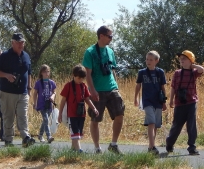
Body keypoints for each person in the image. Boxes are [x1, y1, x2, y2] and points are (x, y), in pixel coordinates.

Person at [82, 25, 125, 154]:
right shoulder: (90, 52)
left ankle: (113, 144)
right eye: (109, 36)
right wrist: (92, 91)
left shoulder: (110, 51)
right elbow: (88, 74)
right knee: (95, 119)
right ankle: (97, 148)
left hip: (112, 88)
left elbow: (112, 70)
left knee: (120, 114)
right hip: (97, 90)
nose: (111, 39)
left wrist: (116, 86)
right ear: (101, 36)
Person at [0, 33, 34, 147]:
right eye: (18, 42)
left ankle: (26, 137)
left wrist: (29, 88)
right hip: (7, 92)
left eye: (22, 42)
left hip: (23, 92)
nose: (21, 44)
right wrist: (7, 75)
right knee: (8, 116)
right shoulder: (5, 56)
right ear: (12, 43)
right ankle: (8, 140)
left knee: (23, 115)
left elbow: (29, 72)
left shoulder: (26, 56)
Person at [166, 50, 204, 155]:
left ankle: (192, 146)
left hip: (191, 102)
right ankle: (169, 143)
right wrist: (171, 100)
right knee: (176, 125)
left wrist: (193, 66)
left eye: (184, 59)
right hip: (179, 103)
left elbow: (201, 70)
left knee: (191, 124)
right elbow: (173, 87)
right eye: (181, 59)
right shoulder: (177, 73)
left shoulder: (194, 72)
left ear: (190, 61)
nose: (182, 60)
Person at [58, 64, 99, 152]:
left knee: (78, 133)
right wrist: (60, 114)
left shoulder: (83, 86)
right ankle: (79, 150)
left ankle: (73, 150)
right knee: (75, 132)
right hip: (71, 114)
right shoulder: (68, 86)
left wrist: (94, 108)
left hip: (81, 114)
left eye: (82, 78)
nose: (80, 80)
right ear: (73, 75)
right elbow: (63, 101)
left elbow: (87, 99)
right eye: (78, 78)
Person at [134, 51, 167, 156]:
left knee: (156, 125)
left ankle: (150, 147)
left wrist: (164, 101)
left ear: (156, 61)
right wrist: (136, 98)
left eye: (151, 60)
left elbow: (163, 87)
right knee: (151, 122)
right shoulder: (142, 72)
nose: (148, 61)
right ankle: (153, 146)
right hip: (147, 101)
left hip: (157, 100)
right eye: (147, 59)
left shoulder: (160, 72)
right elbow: (138, 85)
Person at [32, 64, 57, 143]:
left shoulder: (52, 83)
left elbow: (54, 92)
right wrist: (34, 103)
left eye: (48, 71)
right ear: (41, 73)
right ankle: (49, 136)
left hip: (49, 104)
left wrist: (53, 96)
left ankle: (40, 135)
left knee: (45, 121)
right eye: (45, 72)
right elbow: (35, 93)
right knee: (46, 120)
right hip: (41, 104)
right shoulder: (38, 83)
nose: (47, 73)